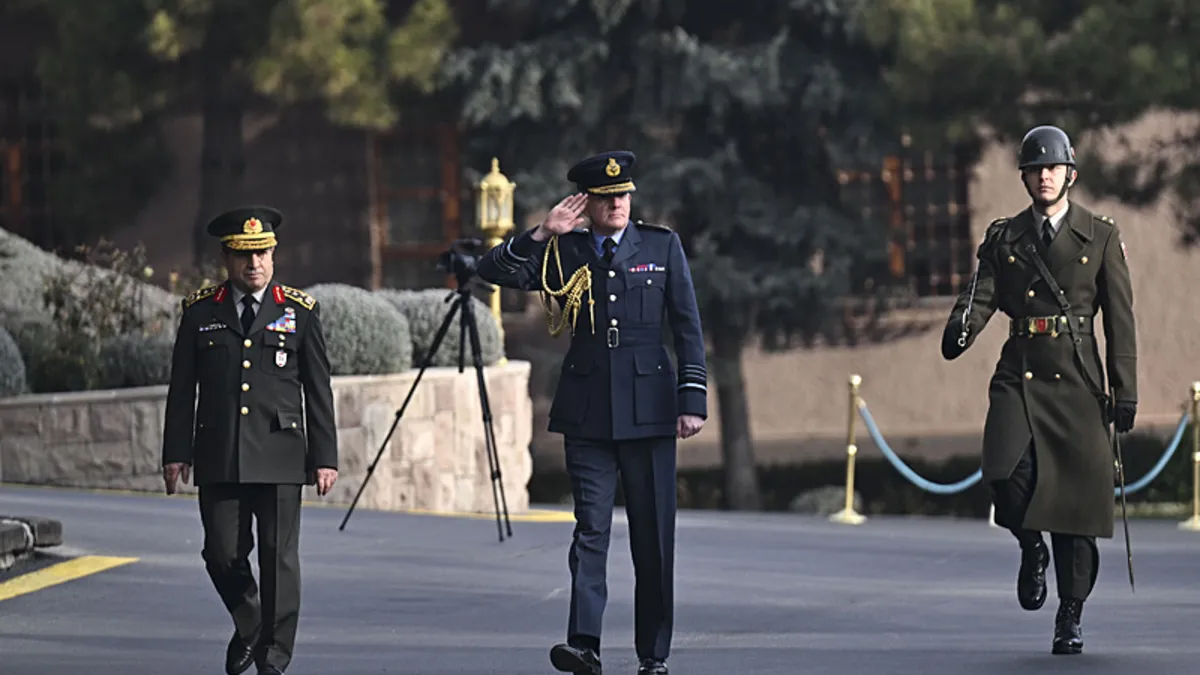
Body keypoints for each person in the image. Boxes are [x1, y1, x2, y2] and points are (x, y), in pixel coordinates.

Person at [477, 151, 707, 675]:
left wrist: (692, 400)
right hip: (588, 411)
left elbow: (688, 327)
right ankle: (584, 645)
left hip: (650, 409)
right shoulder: (566, 250)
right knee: (591, 531)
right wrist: (540, 232)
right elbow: (492, 270)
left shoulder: (661, 245)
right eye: (607, 199)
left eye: (624, 195)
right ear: (587, 205)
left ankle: (653, 653)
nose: (619, 204)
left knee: (653, 537)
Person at [941, 125, 1137, 655]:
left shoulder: (1099, 235)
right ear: (1025, 177)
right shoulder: (1005, 238)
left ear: (1069, 174)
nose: (1044, 175)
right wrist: (963, 327)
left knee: (1074, 506)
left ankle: (1069, 615)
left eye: (1053, 167)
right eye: (1035, 168)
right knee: (1003, 471)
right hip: (1020, 369)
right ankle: (1031, 546)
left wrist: (1126, 388)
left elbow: (1120, 317)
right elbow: (981, 296)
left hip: (1078, 376)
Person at [161, 205, 338, 675]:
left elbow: (319, 391)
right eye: (243, 255)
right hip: (219, 452)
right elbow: (182, 391)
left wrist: (325, 458)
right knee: (220, 553)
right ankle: (251, 622)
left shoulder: (299, 312)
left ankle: (274, 660)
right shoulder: (201, 313)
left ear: (274, 254)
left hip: (281, 452)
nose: (253, 263)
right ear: (226, 257)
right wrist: (175, 454)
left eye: (261, 253)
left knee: (279, 560)